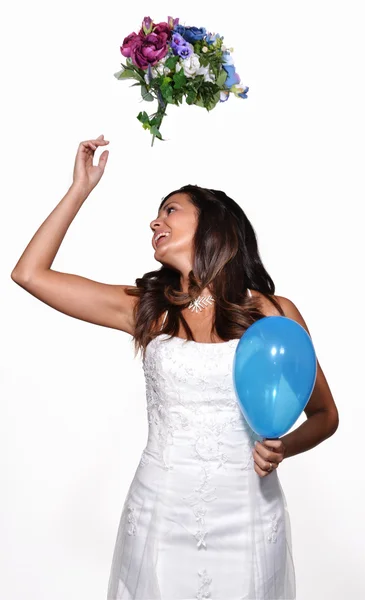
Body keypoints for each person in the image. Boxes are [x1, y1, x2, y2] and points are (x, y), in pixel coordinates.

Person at [11, 135, 339, 599]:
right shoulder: (149, 309)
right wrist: (80, 189)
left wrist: (282, 448)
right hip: (160, 510)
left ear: (213, 224)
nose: (155, 221)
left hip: (247, 513)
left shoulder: (273, 312)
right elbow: (30, 274)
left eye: (170, 210)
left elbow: (326, 415)